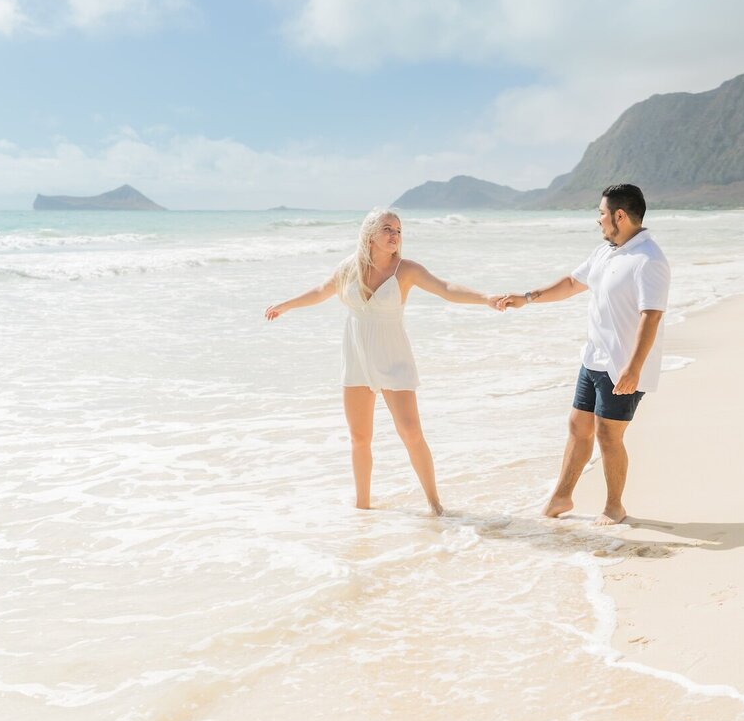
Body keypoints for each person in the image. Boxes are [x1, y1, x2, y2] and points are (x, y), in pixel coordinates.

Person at [265, 208, 502, 516]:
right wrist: (286, 306)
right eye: (388, 229)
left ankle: (435, 504)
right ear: (370, 236)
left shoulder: (407, 270)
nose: (395, 236)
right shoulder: (349, 268)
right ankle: (362, 507)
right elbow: (322, 290)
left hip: (393, 358)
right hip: (356, 359)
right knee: (359, 437)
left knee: (411, 433)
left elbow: (446, 289)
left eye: (399, 231)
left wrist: (486, 298)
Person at [498, 184, 670, 526]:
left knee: (609, 435)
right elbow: (572, 284)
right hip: (593, 359)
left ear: (619, 216)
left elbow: (650, 316)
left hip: (623, 366)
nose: (599, 220)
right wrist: (527, 297)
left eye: (602, 214)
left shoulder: (649, 259)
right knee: (578, 427)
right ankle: (561, 497)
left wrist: (634, 368)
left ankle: (614, 506)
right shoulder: (606, 252)